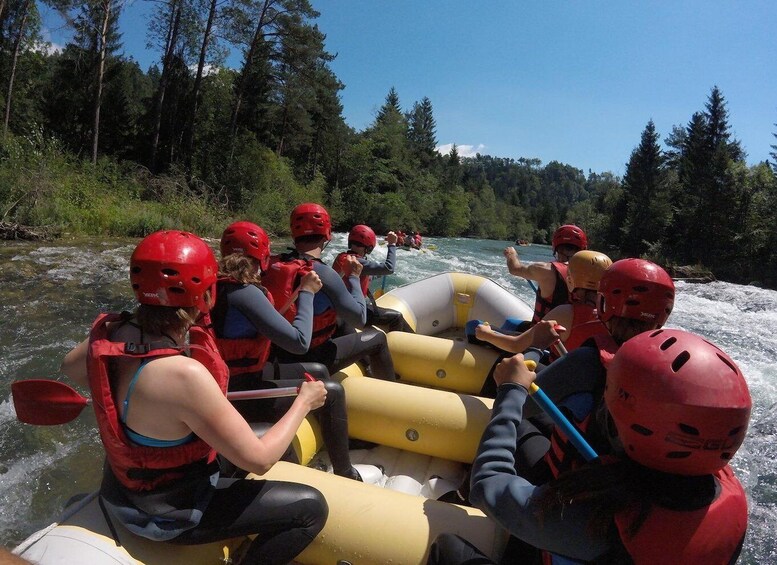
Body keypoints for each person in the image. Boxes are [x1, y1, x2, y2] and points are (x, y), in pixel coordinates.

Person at [60, 230, 328, 564]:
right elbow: (260, 461)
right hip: (168, 516)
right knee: (311, 508)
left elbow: (72, 367)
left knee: (259, 432)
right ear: (207, 293)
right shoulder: (184, 376)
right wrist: (304, 401)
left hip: (125, 490)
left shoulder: (113, 334)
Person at [430, 329, 751, 564]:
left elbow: (488, 486)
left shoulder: (600, 519)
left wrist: (511, 390)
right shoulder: (729, 492)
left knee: (449, 549)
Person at [210, 221, 368, 481]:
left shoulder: (216, 284)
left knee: (318, 370)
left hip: (234, 376)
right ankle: (345, 472)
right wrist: (306, 293)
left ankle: (331, 436)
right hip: (237, 391)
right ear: (262, 254)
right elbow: (299, 342)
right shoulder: (245, 292)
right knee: (334, 391)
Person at [262, 203, 396, 380]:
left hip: (275, 354)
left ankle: (366, 366)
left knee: (340, 321)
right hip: (312, 356)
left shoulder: (270, 265)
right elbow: (360, 318)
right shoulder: (323, 273)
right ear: (327, 235)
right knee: (378, 338)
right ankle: (385, 393)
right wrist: (355, 277)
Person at [504, 224, 588, 325]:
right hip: (572, 337)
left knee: (497, 324)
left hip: (541, 337)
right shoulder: (592, 274)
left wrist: (511, 254)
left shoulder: (545, 269)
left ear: (555, 247)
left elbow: (514, 269)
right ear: (583, 249)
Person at [333, 224, 411, 333]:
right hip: (352, 310)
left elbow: (363, 276)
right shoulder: (358, 261)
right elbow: (389, 268)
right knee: (396, 317)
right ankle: (402, 347)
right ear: (369, 247)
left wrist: (376, 273)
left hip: (341, 307)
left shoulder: (342, 257)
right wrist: (392, 245)